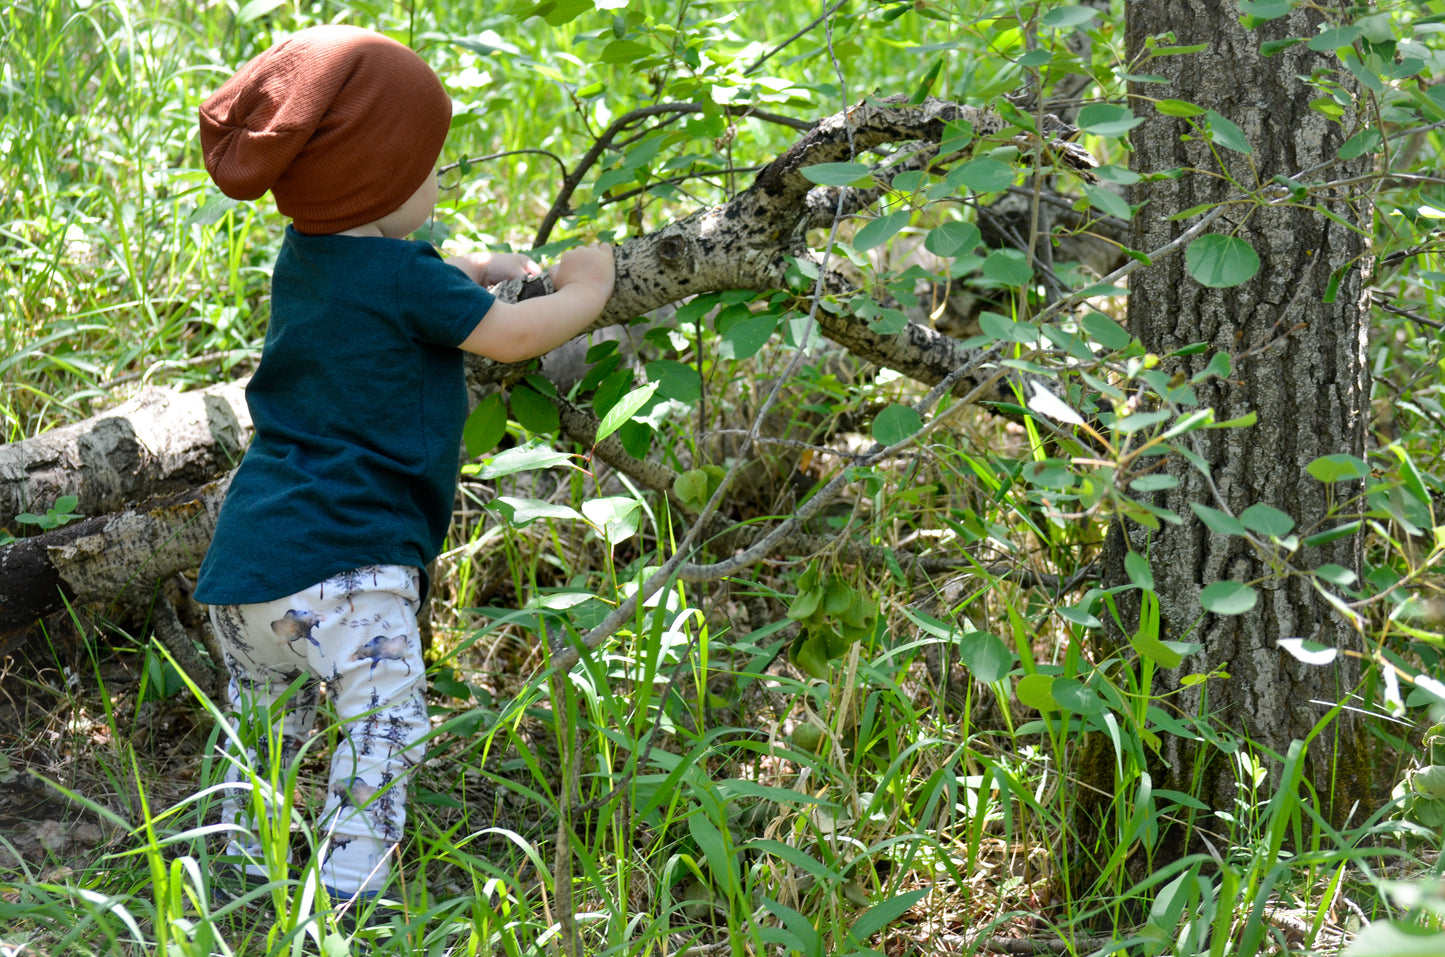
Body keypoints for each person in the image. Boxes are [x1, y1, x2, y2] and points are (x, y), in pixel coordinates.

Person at [192, 24, 614, 914]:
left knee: (259, 728)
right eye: (427, 164)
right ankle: (351, 903)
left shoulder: (308, 258)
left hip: (248, 566)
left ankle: (225, 866)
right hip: (350, 567)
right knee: (382, 730)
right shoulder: (402, 281)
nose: (435, 179)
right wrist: (588, 285)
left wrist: (488, 265)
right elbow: (509, 333)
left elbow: (417, 274)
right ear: (379, 177)